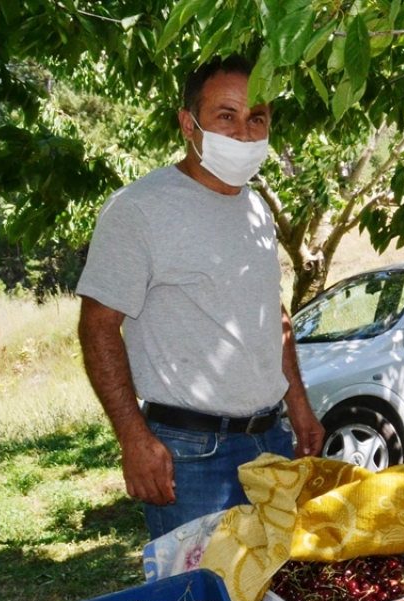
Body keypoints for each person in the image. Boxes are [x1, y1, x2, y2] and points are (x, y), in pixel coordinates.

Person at [76, 55, 324, 540]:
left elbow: (270, 314)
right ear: (189, 124)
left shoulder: (256, 208)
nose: (245, 134)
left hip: (270, 442)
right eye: (226, 116)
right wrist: (132, 437)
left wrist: (298, 404)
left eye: (257, 118)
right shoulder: (139, 209)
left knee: (272, 593)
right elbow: (98, 326)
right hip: (189, 454)